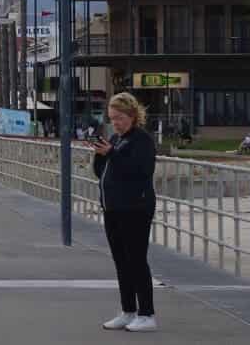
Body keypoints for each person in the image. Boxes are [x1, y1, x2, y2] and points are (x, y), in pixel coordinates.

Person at [93, 92, 157, 332]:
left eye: (119, 118)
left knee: (136, 260)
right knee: (121, 261)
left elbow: (139, 170)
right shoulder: (116, 139)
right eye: (112, 118)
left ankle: (147, 314)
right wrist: (100, 155)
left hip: (136, 208)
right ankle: (128, 310)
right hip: (113, 208)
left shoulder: (142, 140)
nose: (116, 123)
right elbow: (103, 172)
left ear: (132, 115)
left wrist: (111, 153)